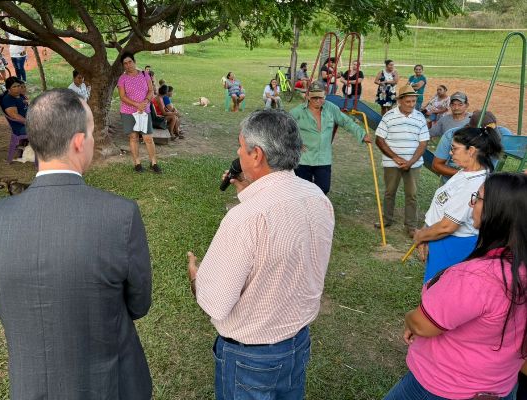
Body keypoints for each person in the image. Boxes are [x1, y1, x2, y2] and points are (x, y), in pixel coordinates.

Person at [0, 89, 152, 400]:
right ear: (79, 142)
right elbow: (139, 303)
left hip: (31, 386)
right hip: (110, 384)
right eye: (94, 132)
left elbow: (3, 304)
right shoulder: (119, 215)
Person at [187, 109, 334, 400]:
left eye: (241, 147)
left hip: (250, 359)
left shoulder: (246, 218)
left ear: (256, 155)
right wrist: (248, 190)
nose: (238, 153)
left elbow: (215, 303)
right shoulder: (317, 197)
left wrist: (196, 277)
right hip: (297, 343)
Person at [384, 173, 527, 400]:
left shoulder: (476, 277)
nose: (472, 204)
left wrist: (412, 318)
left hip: (443, 386)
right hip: (501, 387)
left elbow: (422, 325)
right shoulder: (517, 267)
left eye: (477, 198)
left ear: (497, 212)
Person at [413, 126, 502, 282]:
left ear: (471, 151)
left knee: (440, 292)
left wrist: (420, 235)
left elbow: (447, 226)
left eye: (454, 149)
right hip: (439, 239)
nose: (450, 152)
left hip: (452, 245)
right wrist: (427, 233)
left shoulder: (473, 185)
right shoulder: (465, 172)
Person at [290, 81, 370, 194]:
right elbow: (283, 128)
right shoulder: (297, 111)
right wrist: (294, 142)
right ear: (308, 96)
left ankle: (317, 207)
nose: (318, 100)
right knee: (303, 191)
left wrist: (362, 134)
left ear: (325, 95)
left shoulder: (331, 108)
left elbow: (346, 122)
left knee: (324, 188)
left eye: (320, 98)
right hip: (304, 159)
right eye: (314, 98)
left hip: (323, 158)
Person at [375, 85, 429, 237]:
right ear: (400, 101)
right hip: (392, 163)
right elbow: (379, 139)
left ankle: (411, 226)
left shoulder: (419, 117)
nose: (411, 105)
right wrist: (395, 157)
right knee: (389, 192)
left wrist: (411, 161)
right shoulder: (389, 116)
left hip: (414, 164)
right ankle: (386, 219)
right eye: (408, 102)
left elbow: (423, 142)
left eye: (414, 101)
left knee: (412, 194)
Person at [433, 111, 513, 184]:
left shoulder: (504, 134)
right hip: (454, 183)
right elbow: (436, 165)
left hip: (482, 186)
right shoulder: (451, 135)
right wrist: (466, 174)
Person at [118, 52, 161, 173]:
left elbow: (151, 90)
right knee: (133, 137)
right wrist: (137, 104)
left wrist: (146, 101)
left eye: (130, 62)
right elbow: (122, 96)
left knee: (148, 137)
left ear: (134, 61)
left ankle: (154, 163)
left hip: (144, 111)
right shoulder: (122, 78)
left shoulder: (144, 74)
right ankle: (137, 163)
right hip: (128, 111)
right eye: (125, 63)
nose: (128, 65)